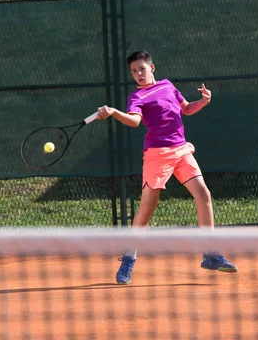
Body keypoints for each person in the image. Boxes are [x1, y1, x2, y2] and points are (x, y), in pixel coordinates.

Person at [96, 50, 237, 285]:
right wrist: (113, 112)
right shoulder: (136, 98)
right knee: (147, 209)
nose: (138, 74)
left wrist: (203, 101)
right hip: (157, 155)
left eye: (142, 69)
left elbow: (186, 109)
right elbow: (134, 121)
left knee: (204, 195)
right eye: (134, 71)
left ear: (152, 68)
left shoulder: (168, 86)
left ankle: (211, 255)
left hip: (181, 150)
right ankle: (129, 256)